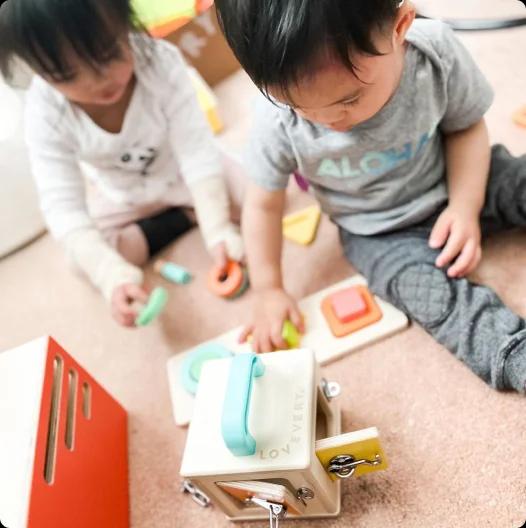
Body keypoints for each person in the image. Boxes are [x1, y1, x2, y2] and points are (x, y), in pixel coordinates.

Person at [214, 0, 526, 393]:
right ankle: (514, 353)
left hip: (459, 176)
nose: (328, 121)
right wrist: (269, 289)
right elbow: (262, 203)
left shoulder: (435, 53)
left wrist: (466, 205)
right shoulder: (274, 120)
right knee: (433, 301)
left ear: (400, 27)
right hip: (380, 234)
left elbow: (466, 130)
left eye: (348, 100)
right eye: (299, 106)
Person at [0, 0, 244, 326]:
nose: (97, 80)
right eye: (67, 74)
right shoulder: (45, 114)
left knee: (257, 191)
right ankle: (182, 219)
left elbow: (197, 154)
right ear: (38, 72)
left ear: (126, 23)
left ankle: (193, 213)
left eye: (107, 54)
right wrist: (112, 277)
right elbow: (63, 208)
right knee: (81, 260)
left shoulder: (160, 63)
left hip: (183, 174)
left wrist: (217, 228)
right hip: (122, 196)